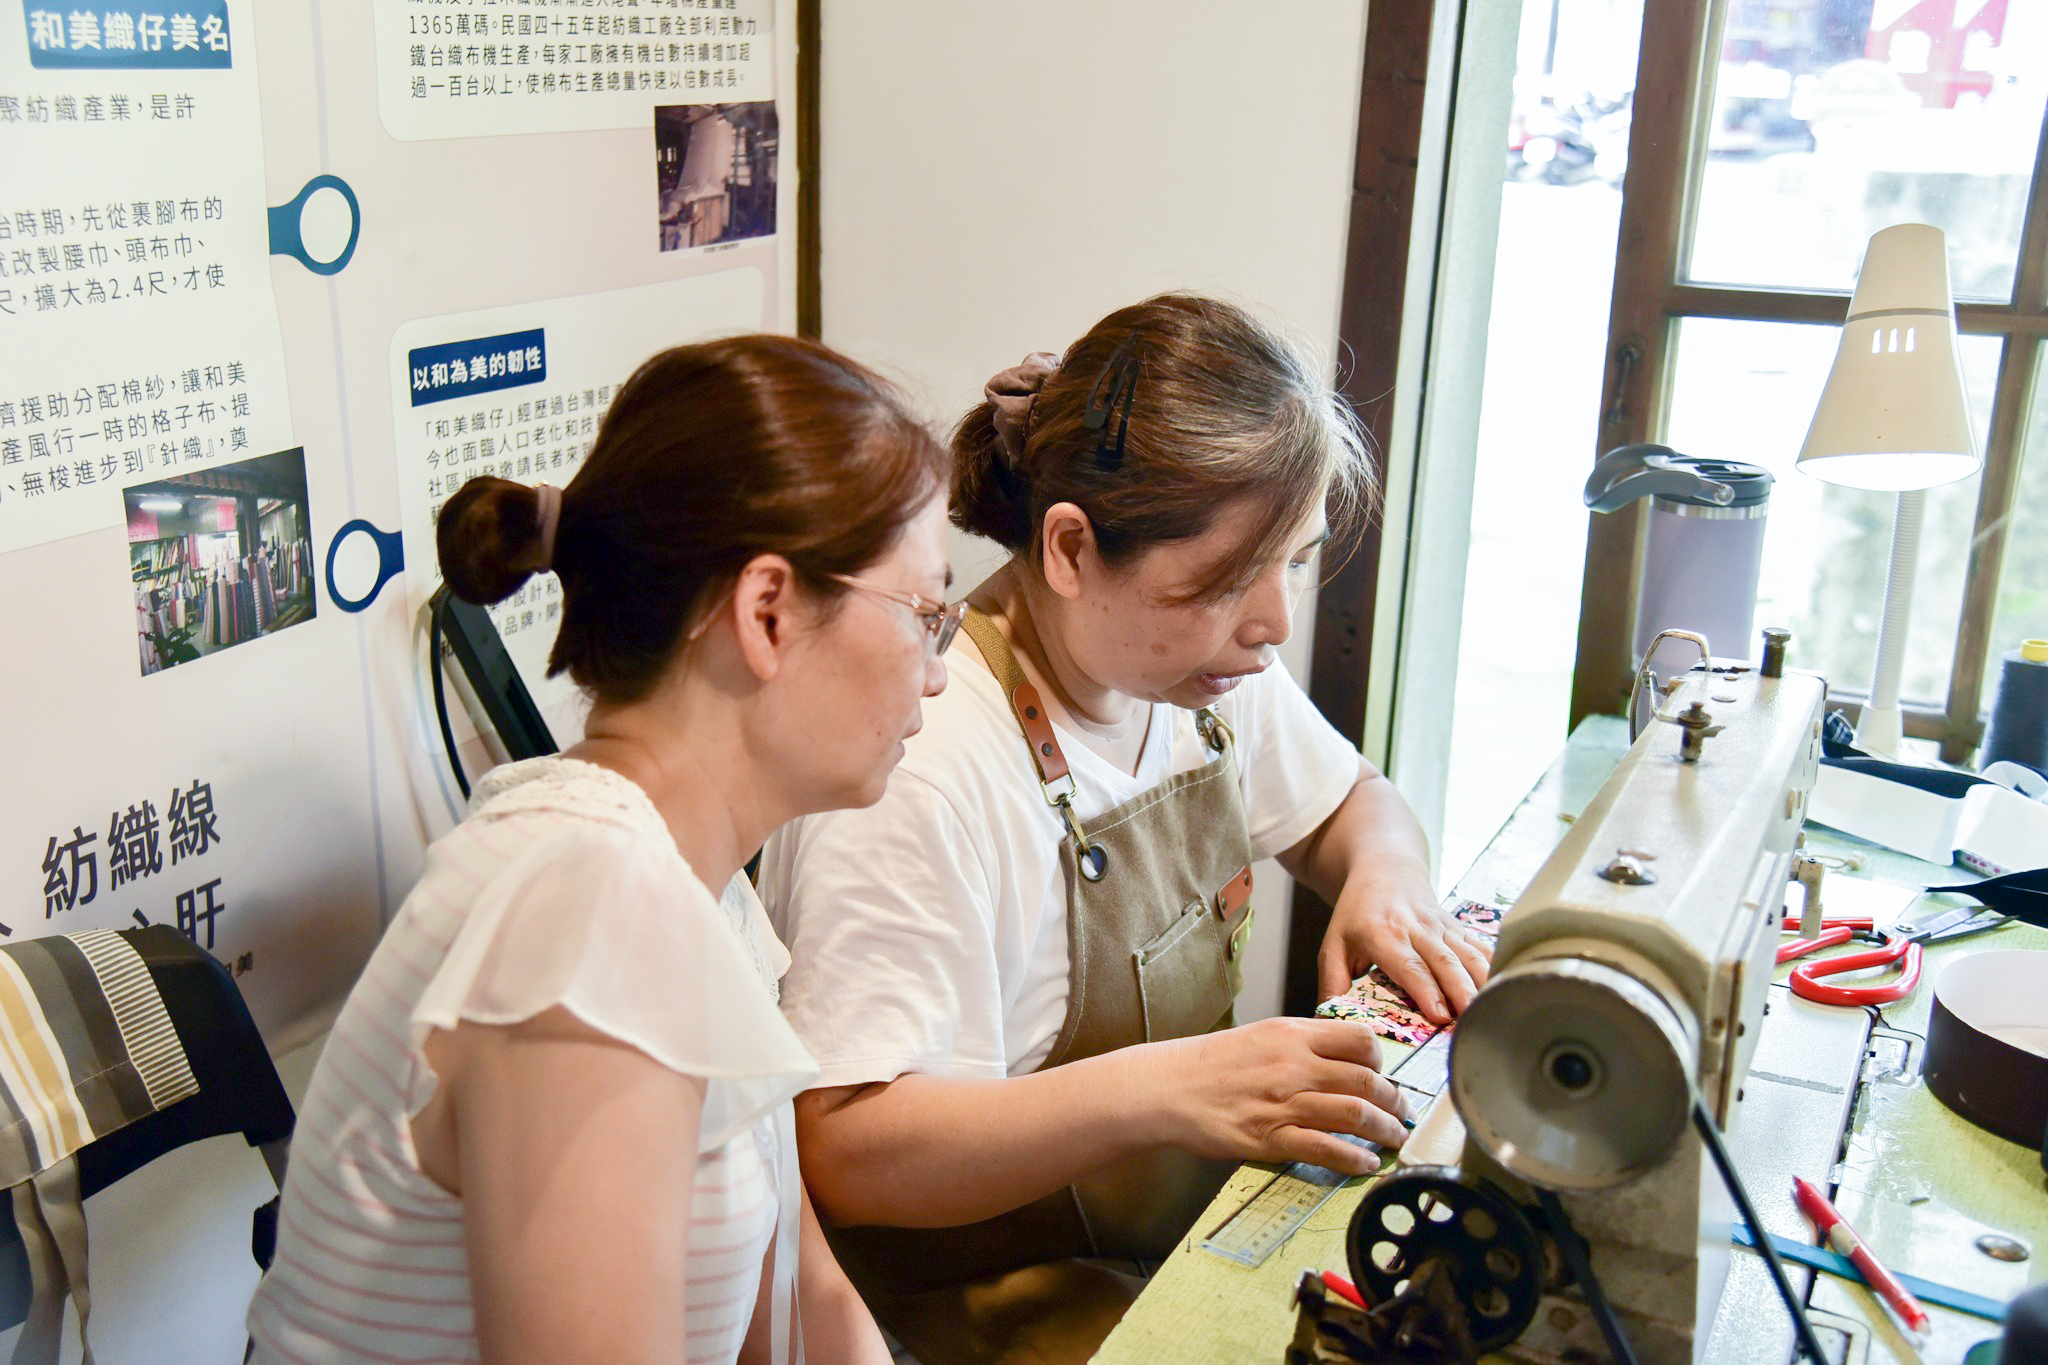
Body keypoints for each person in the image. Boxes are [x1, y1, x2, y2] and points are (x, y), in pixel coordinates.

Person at [760, 295, 1494, 1364]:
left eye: (1292, 560)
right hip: (968, 1301)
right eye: (1225, 580)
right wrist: (1171, 1089)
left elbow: (1348, 801)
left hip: (1156, 1247)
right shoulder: (925, 764)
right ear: (1068, 548)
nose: (1273, 622)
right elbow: (849, 1150)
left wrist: (1382, 877)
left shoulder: (1196, 669)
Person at [248, 336, 955, 1365]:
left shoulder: (692, 888)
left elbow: (802, 1291)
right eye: (925, 614)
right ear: (767, 613)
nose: (934, 676)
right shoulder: (592, 919)